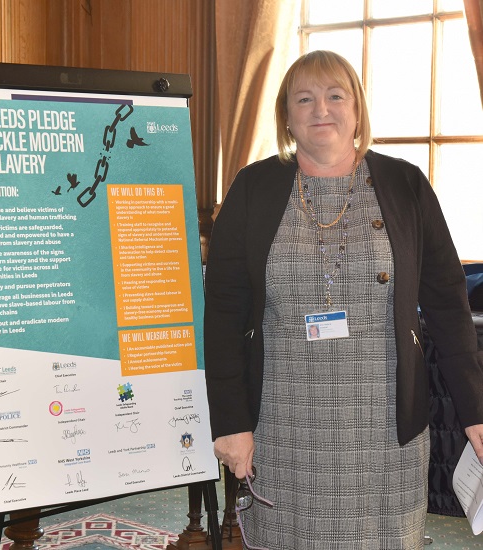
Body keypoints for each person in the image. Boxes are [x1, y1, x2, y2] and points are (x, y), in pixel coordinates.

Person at [203, 50, 483, 549]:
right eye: (304, 99)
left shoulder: (405, 185)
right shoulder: (253, 188)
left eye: (335, 96)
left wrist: (475, 407)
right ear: (286, 116)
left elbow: (447, 303)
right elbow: (223, 313)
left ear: (357, 109)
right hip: (283, 422)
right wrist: (230, 421)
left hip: (384, 427)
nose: (321, 110)